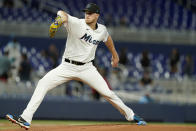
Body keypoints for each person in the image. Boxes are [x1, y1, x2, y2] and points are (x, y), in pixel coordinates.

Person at [6, 3, 146, 129]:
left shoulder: (101, 30)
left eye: (90, 13)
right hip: (67, 66)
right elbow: (62, 13)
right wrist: (57, 22)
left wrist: (115, 55)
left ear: (97, 15)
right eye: (86, 12)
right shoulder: (78, 23)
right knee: (43, 83)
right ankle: (25, 118)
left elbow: (107, 39)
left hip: (87, 68)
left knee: (108, 93)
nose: (87, 15)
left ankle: (132, 116)